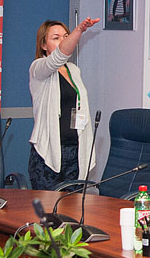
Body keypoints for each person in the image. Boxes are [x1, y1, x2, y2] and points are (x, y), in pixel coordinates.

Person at [29, 17, 99, 190]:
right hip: (49, 152)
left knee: (72, 205)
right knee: (48, 205)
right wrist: (79, 30)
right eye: (56, 38)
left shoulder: (74, 70)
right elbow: (58, 57)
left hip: (75, 150)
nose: (63, 41)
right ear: (43, 45)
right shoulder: (38, 68)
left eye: (66, 36)